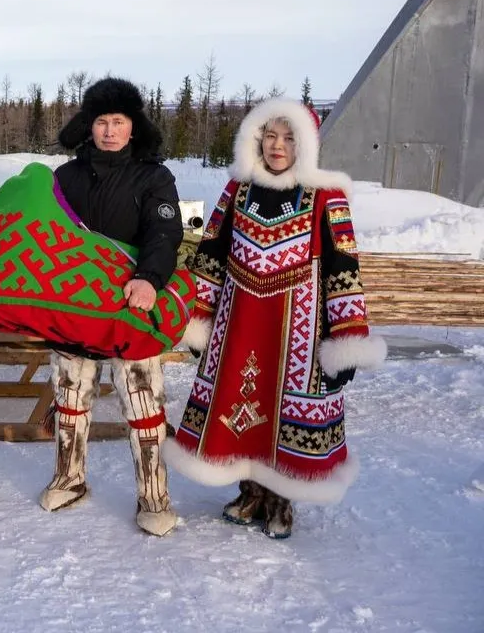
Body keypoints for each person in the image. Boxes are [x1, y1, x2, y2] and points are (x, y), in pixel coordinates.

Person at [163, 98, 385, 539]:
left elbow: (344, 267)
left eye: (288, 137)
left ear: (306, 143)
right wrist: (199, 319)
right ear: (255, 139)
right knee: (239, 405)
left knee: (286, 410)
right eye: (270, 135)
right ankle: (249, 491)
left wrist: (346, 340)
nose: (278, 145)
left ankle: (280, 499)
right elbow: (210, 256)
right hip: (238, 323)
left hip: (299, 332)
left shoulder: (325, 196)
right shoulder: (237, 190)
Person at [40, 77, 183, 536]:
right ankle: (70, 477)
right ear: (89, 125)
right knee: (70, 399)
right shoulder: (66, 177)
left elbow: (165, 236)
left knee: (143, 404)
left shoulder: (154, 176)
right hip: (74, 310)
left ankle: (154, 495)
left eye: (118, 121)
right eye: (101, 121)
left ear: (133, 126)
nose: (109, 130)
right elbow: (49, 234)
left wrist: (150, 279)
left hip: (131, 307)